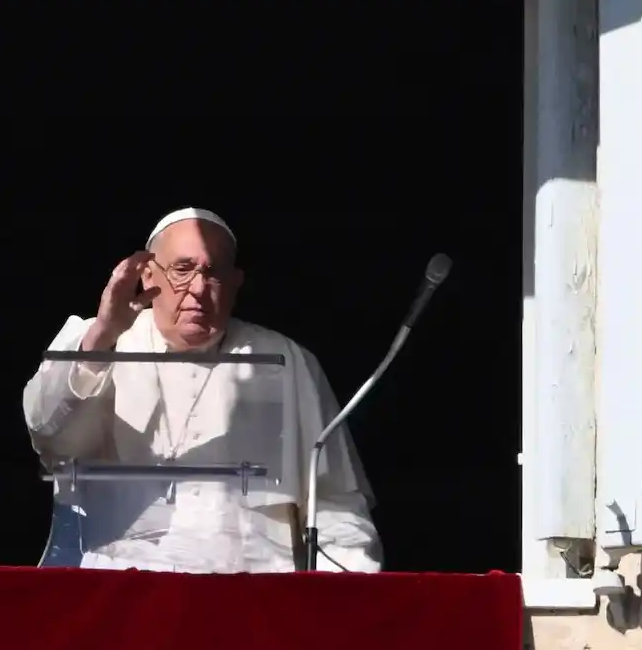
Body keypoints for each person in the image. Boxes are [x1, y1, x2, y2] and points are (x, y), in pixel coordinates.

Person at [22, 208, 381, 573]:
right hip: (122, 585)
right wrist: (102, 335)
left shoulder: (287, 360)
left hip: (255, 588)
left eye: (213, 273)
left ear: (236, 283)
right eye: (182, 269)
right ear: (148, 275)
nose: (197, 288)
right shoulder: (97, 342)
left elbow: (334, 503)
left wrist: (349, 589)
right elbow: (49, 436)